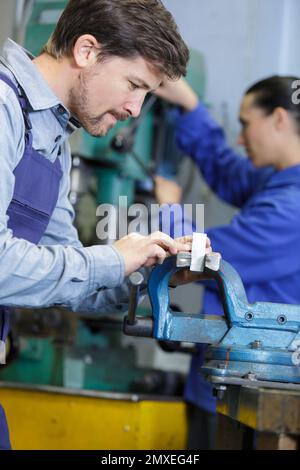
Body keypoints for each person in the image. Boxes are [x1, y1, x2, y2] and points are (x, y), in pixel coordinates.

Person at [0, 0, 202, 450]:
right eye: (134, 85)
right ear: (87, 50)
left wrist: (150, 276)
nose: (135, 109)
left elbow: (68, 276)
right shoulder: (2, 111)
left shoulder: (53, 141)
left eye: (148, 94)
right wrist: (111, 257)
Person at [155, 75, 300, 449]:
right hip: (236, 376)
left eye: (245, 124)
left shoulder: (291, 209)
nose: (239, 138)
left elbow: (207, 257)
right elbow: (228, 171)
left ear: (279, 119)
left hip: (251, 384)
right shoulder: (280, 180)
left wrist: (170, 211)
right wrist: (190, 107)